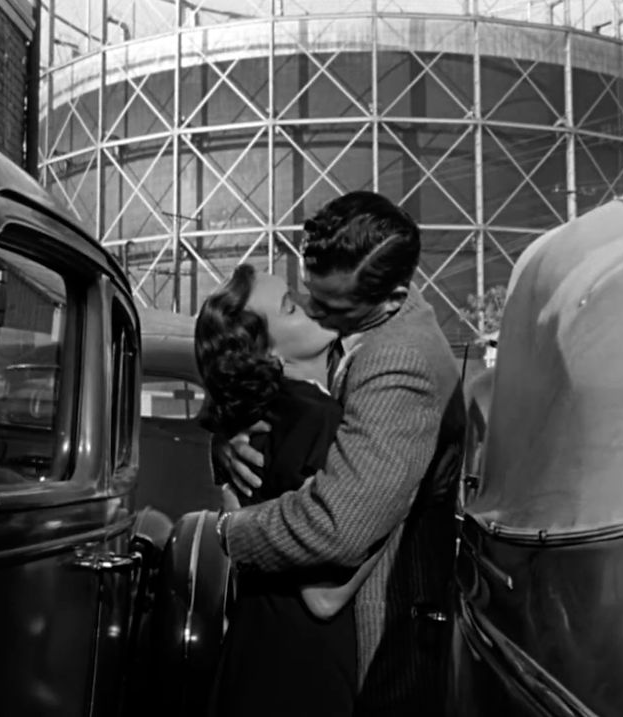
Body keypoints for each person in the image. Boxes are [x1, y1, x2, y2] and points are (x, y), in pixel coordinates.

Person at [214, 191, 467, 716]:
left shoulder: (397, 362)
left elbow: (337, 527)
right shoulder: (366, 318)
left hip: (375, 649)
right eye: (308, 295)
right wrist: (229, 436)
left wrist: (225, 531)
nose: (314, 310)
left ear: (393, 299)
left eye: (330, 307)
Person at [197, 263, 383, 717]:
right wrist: (398, 499)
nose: (306, 302)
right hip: (303, 674)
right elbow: (324, 596)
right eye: (289, 306)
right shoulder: (320, 421)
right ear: (270, 354)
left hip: (249, 661)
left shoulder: (256, 423)